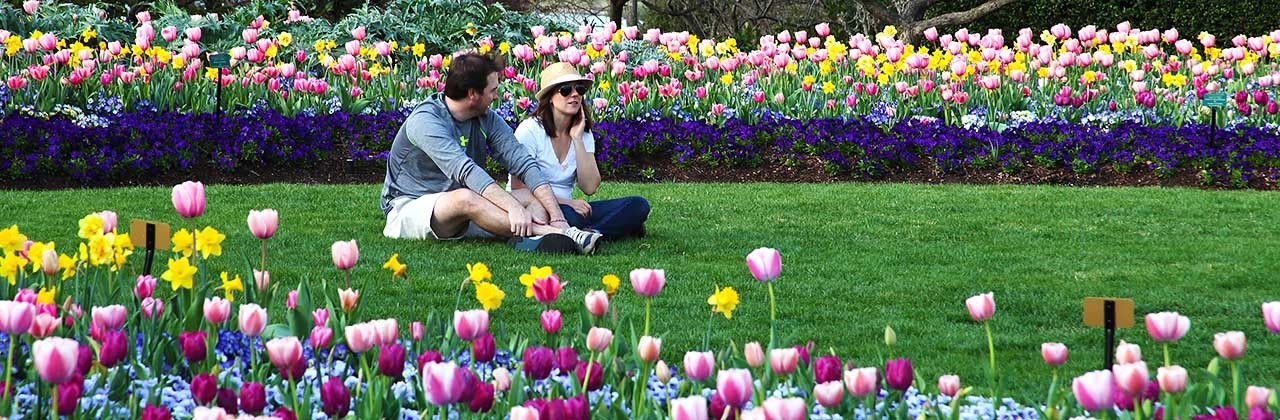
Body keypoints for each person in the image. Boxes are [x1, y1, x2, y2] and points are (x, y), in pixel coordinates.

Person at [380, 53, 603, 254]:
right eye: (493, 90)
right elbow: (465, 171)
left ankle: (538, 235)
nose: (497, 96)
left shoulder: (487, 118)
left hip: (466, 205)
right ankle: (557, 235)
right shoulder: (426, 121)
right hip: (408, 207)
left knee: (531, 196)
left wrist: (558, 216)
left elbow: (523, 163)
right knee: (465, 197)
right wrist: (513, 207)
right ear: (473, 94)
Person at [508, 62, 650, 240]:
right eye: (566, 90)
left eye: (580, 89)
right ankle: (610, 228)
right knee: (572, 216)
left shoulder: (582, 133)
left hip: (572, 208)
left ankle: (591, 233)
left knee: (638, 204)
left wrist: (577, 138)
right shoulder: (530, 130)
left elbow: (589, 187)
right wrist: (566, 202)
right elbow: (518, 188)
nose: (575, 94)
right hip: (537, 206)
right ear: (550, 97)